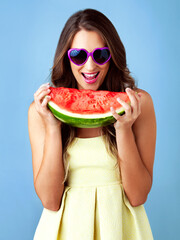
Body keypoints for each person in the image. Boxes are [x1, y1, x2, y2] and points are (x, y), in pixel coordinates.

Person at [28, 8, 156, 240]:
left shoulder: (139, 104)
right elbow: (50, 200)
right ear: (66, 57)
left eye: (100, 55)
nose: (89, 67)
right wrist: (53, 126)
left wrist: (123, 129)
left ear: (112, 56)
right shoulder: (41, 111)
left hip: (120, 230)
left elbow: (138, 196)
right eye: (78, 55)